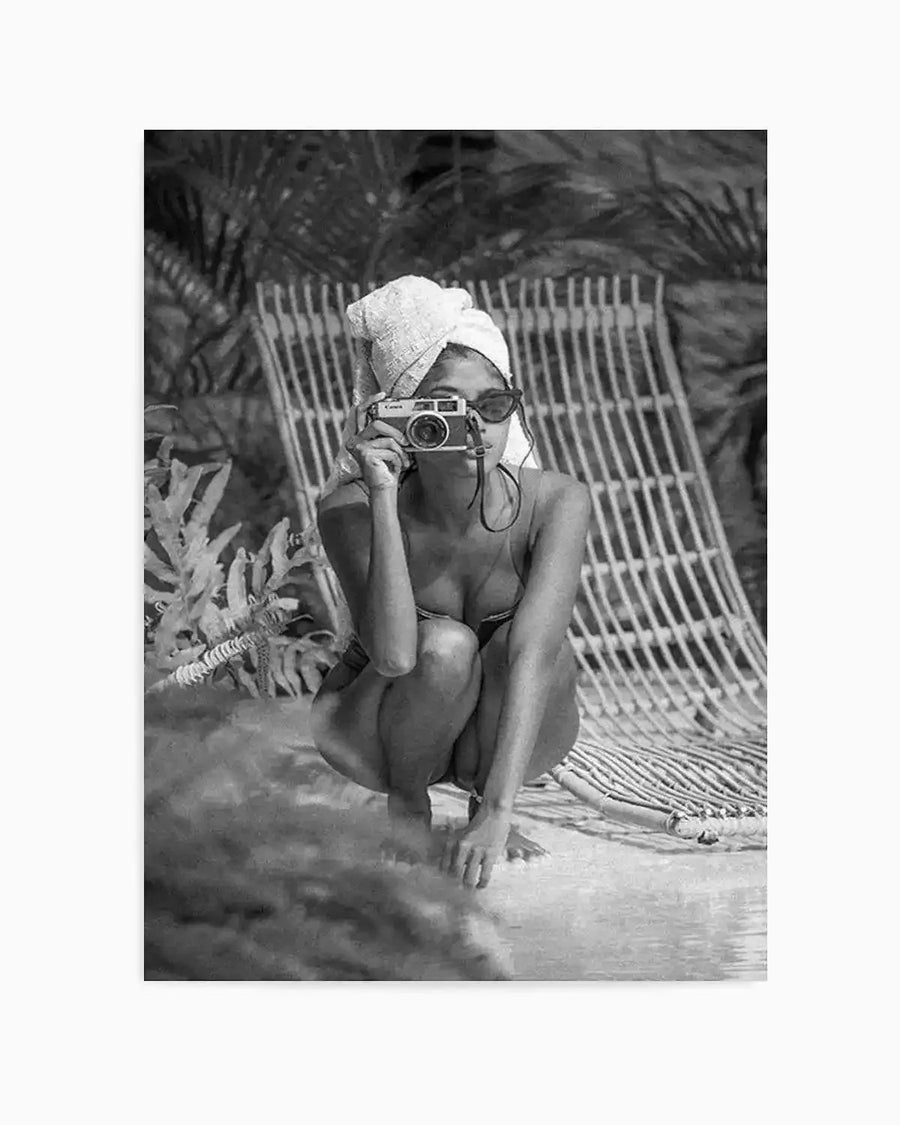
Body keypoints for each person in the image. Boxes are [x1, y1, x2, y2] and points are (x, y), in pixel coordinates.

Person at [311, 276, 590, 890]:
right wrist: (383, 495)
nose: (475, 427)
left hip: (497, 737)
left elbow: (534, 656)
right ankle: (408, 803)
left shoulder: (558, 501)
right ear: (403, 410)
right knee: (445, 646)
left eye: (493, 406)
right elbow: (393, 656)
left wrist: (497, 811)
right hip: (377, 732)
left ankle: (479, 802)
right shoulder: (348, 510)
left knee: (533, 644)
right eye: (445, 406)